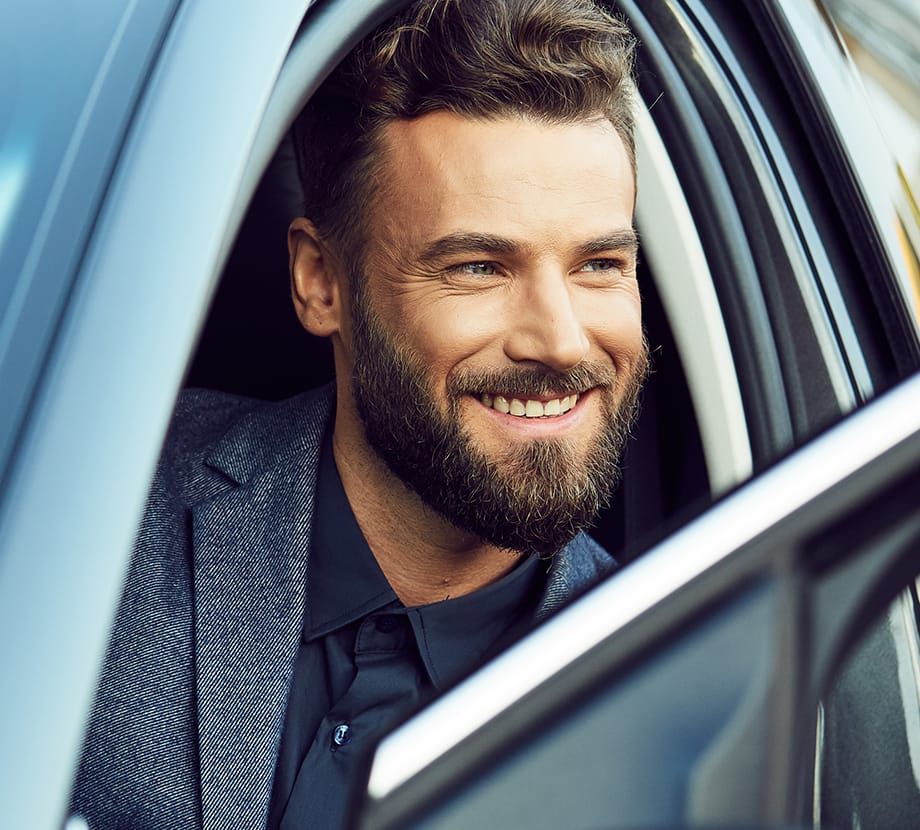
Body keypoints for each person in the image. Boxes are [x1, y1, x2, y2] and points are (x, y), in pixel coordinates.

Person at [72, 0, 648, 827]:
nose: (561, 341)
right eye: (480, 267)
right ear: (321, 282)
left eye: (600, 264)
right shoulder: (96, 498)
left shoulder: (665, 687)